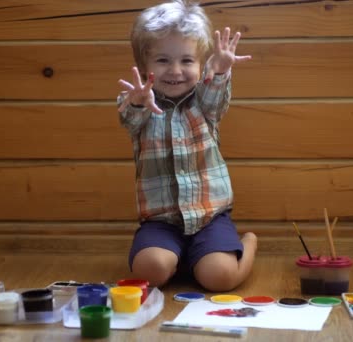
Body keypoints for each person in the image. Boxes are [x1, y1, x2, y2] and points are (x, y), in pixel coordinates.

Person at [117, 0, 257, 292]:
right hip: (161, 220)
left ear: (200, 62)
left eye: (187, 60)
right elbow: (130, 118)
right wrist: (139, 102)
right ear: (144, 65)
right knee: (149, 272)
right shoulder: (139, 102)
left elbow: (215, 96)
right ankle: (180, 259)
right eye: (163, 60)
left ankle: (248, 243)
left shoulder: (204, 102)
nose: (176, 71)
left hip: (209, 217)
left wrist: (219, 70)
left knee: (220, 277)